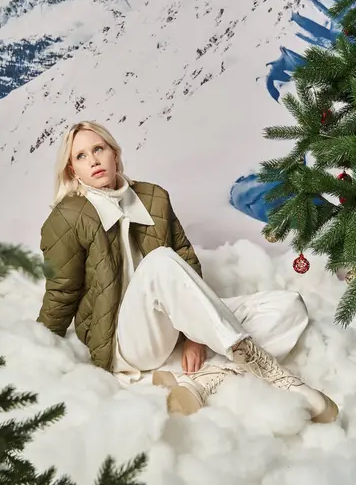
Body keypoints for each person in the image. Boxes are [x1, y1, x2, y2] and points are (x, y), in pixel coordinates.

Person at [37, 121, 338, 422]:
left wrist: (195, 338)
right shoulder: (66, 218)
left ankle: (201, 381)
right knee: (160, 261)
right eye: (81, 156)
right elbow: (62, 290)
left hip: (172, 326)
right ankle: (272, 373)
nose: (93, 160)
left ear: (115, 153)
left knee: (288, 306)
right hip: (124, 339)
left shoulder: (153, 198)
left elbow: (187, 261)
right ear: (72, 171)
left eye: (99, 148)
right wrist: (39, 344)